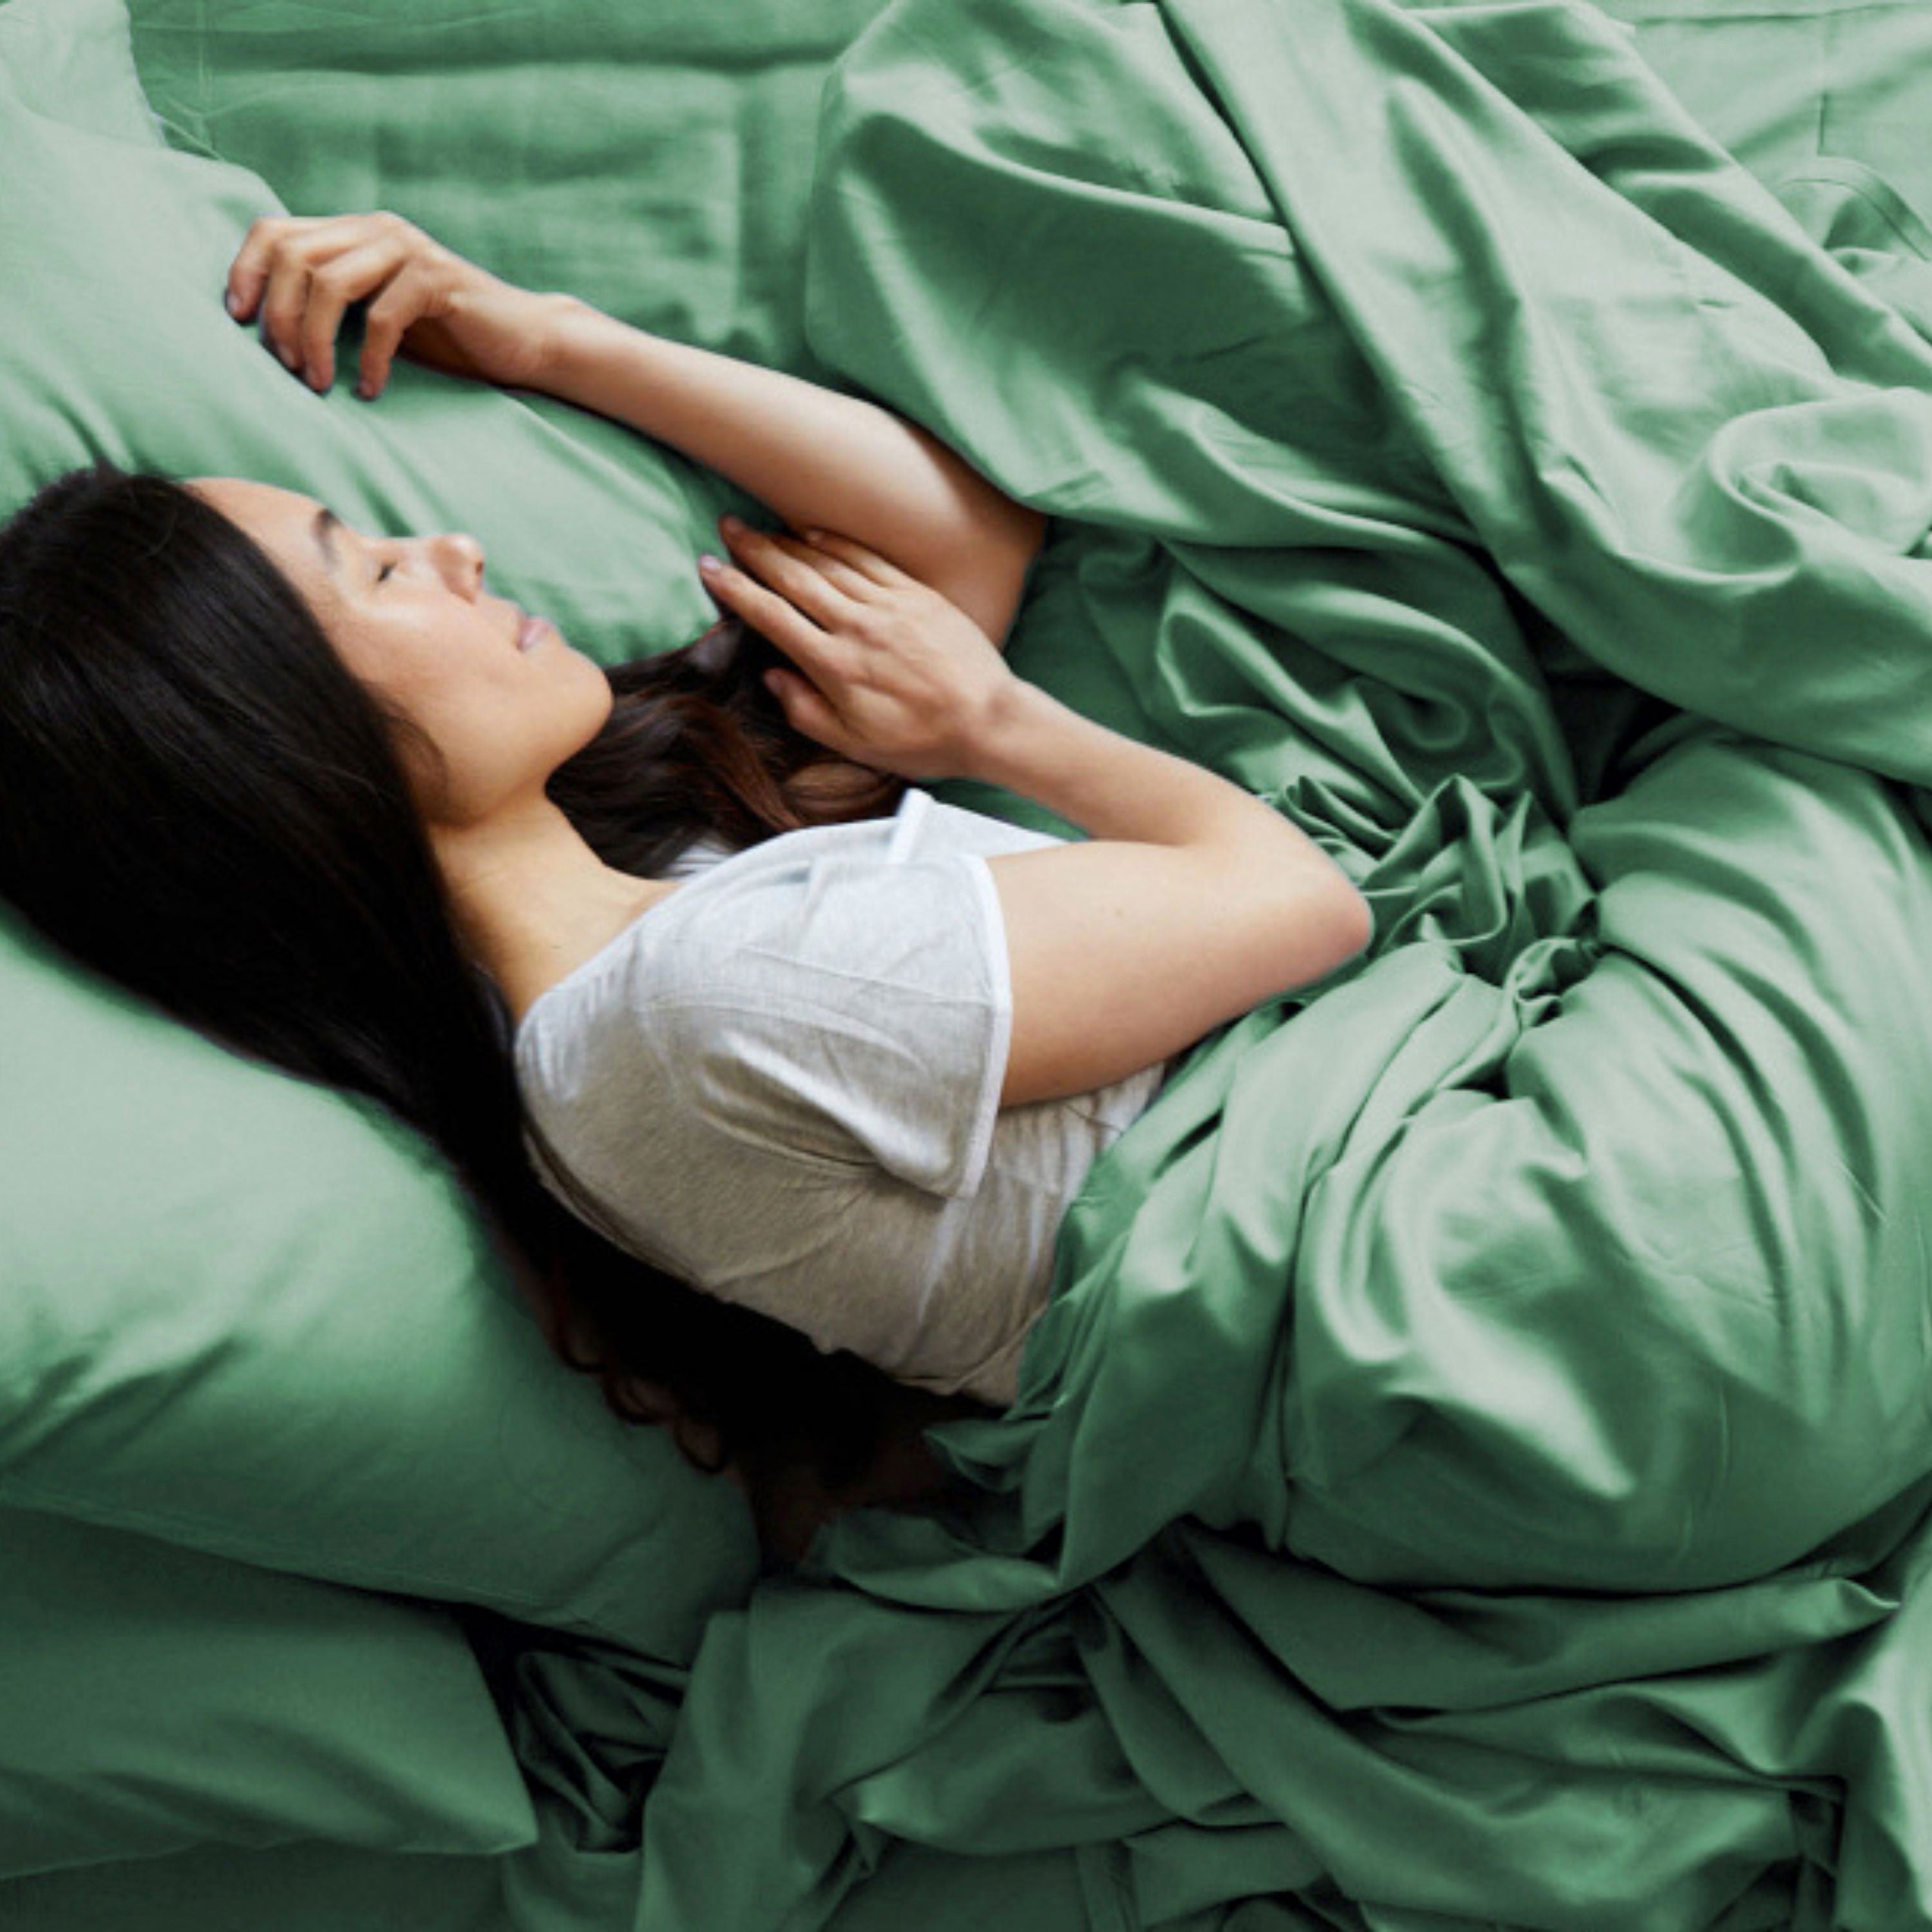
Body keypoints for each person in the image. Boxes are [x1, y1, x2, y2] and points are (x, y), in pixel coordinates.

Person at [0, 213, 1370, 1553]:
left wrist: (542, 338)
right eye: (369, 567)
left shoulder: (670, 880)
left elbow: (962, 544)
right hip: (1396, 1272)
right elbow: (1302, 906)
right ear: (287, 744)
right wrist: (1000, 731)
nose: (452, 549)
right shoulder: (692, 1013)